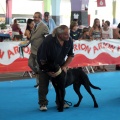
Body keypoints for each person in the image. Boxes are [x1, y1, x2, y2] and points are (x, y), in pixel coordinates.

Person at [37, 25, 74, 111]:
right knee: (43, 84)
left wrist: (64, 66)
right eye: (66, 34)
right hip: (45, 64)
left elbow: (71, 55)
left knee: (61, 85)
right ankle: (43, 103)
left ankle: (60, 102)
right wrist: (47, 71)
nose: (68, 35)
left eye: (68, 33)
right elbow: (42, 59)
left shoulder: (69, 40)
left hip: (59, 65)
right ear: (59, 35)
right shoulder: (48, 41)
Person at [28, 12, 49, 88]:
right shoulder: (34, 26)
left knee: (38, 67)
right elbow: (32, 37)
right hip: (33, 50)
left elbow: (47, 38)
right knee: (30, 64)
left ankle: (40, 83)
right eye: (34, 17)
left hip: (39, 51)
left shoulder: (44, 26)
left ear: (40, 18)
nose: (34, 18)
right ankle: (42, 78)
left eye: (36, 17)